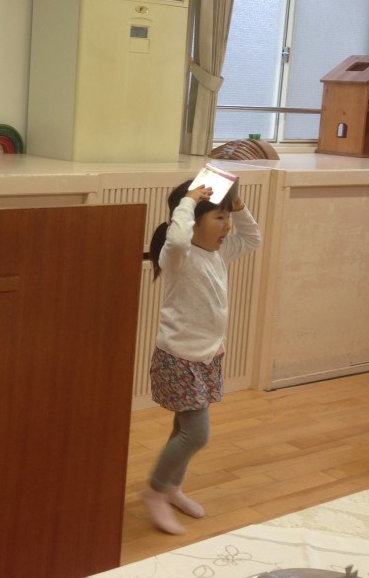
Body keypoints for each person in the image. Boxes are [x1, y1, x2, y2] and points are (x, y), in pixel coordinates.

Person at [140, 178, 261, 534]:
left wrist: (240, 208)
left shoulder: (217, 253)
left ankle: (171, 487)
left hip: (206, 358)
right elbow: (177, 238)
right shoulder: (179, 256)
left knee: (184, 429)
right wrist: (188, 201)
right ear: (192, 221)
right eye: (219, 218)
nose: (228, 226)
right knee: (196, 434)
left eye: (228, 217)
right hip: (179, 358)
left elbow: (253, 239)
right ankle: (154, 491)